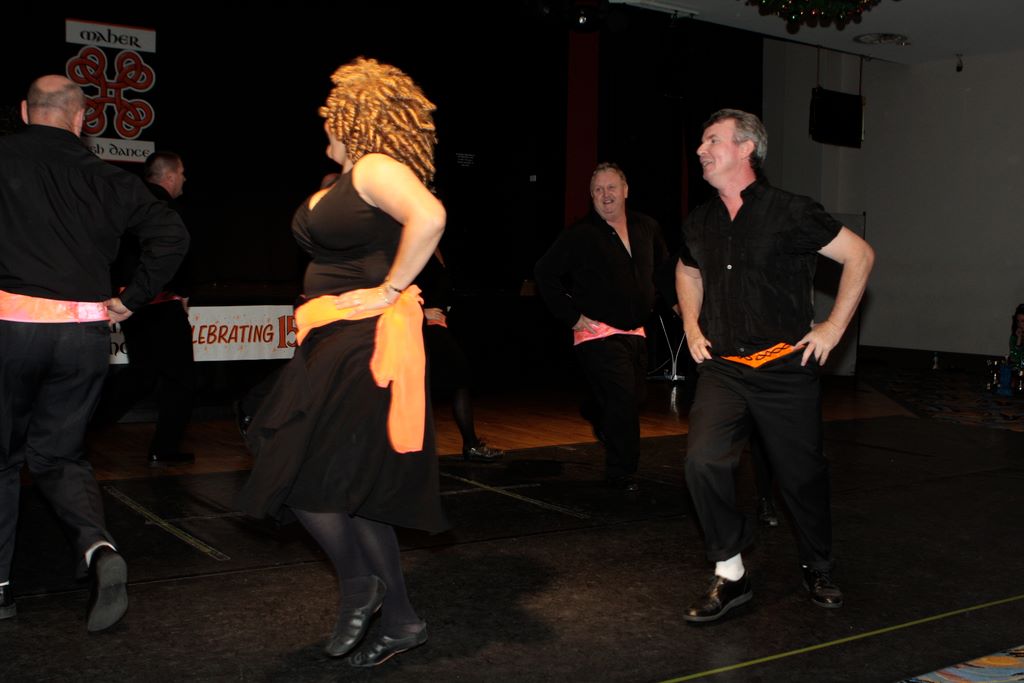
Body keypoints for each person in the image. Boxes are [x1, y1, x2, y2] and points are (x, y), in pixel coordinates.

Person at [236, 58, 446, 668]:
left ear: (353, 118)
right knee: (342, 488)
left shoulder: (377, 167)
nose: (322, 119)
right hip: (332, 340)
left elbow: (431, 217)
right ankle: (400, 619)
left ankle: (360, 585)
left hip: (364, 344)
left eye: (331, 112)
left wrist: (388, 290)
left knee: (304, 474)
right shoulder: (352, 177)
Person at [0, 75, 188, 630]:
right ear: (82, 120)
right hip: (83, 334)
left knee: (4, 459)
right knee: (60, 456)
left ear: (25, 111)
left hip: (12, 327)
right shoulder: (107, 177)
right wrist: (132, 299)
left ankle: (1, 587)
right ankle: (99, 549)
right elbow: (172, 237)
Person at [675, 109, 874, 622]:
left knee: (800, 476)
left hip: (784, 367)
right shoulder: (699, 220)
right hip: (724, 368)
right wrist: (692, 326)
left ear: (747, 148)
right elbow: (687, 270)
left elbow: (860, 255)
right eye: (701, 141)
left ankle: (818, 564)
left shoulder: (791, 211)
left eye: (712, 140)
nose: (701, 149)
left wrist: (833, 327)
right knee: (703, 462)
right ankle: (731, 572)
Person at [535, 162, 670, 492]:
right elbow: (544, 273)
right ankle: (621, 472)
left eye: (611, 188)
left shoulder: (647, 227)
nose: (605, 195)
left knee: (635, 398)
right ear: (591, 196)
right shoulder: (580, 234)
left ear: (626, 190)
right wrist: (573, 317)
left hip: (636, 332)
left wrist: (683, 308)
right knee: (623, 400)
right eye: (598, 190)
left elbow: (664, 273)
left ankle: (595, 409)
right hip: (598, 334)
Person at [95, 151, 196, 466]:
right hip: (158, 301)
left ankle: (81, 428)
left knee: (142, 375)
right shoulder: (165, 208)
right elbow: (173, 251)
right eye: (182, 173)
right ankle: (164, 448)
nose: (184, 179)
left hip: (129, 302)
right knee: (180, 378)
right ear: (170, 175)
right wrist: (183, 292)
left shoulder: (128, 201)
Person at [415, 249, 504, 462]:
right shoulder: (411, 244)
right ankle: (468, 445)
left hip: (437, 326)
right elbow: (395, 287)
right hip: (420, 326)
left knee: (458, 379)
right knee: (453, 378)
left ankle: (469, 444)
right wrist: (421, 312)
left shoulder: (437, 247)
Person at [1009, 303, 1024, 368]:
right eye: (1018, 321)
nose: (1020, 324)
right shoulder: (1014, 337)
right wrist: (1019, 339)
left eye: (1023, 321)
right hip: (1016, 370)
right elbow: (1014, 359)